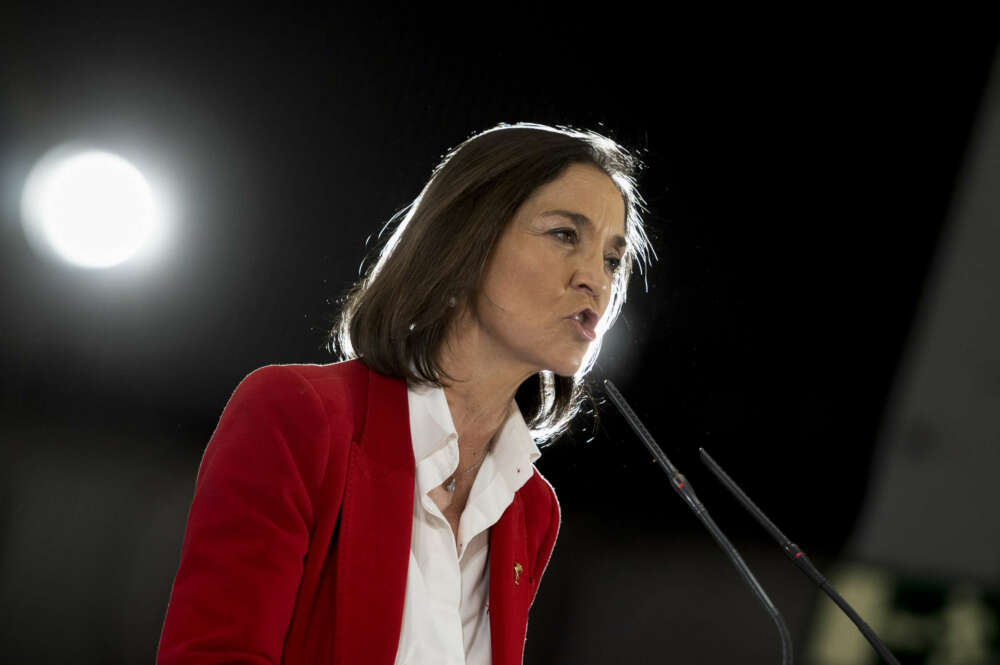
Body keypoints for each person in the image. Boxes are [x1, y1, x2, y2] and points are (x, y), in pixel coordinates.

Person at [156, 121, 652, 665]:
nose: (596, 281)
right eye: (564, 235)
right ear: (468, 240)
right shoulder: (297, 414)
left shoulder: (530, 509)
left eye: (611, 259)